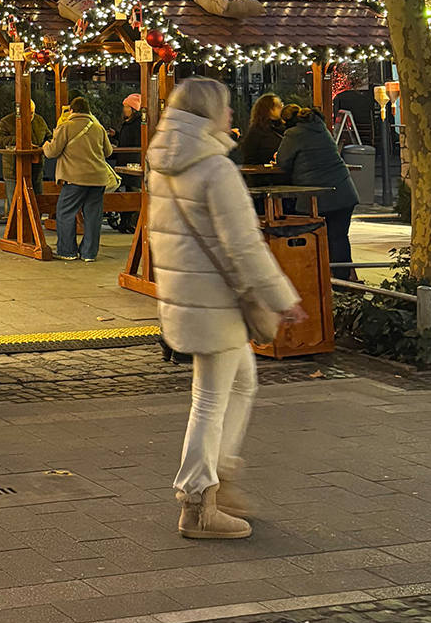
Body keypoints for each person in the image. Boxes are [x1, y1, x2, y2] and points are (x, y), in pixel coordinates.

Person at [148, 78, 303, 539]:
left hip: (188, 298)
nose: (232, 116)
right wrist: (283, 299)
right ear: (209, 115)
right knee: (212, 398)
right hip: (216, 301)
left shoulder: (163, 166)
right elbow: (245, 246)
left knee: (241, 384)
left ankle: (220, 479)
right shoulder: (215, 169)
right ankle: (198, 502)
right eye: (226, 108)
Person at [274, 105, 360, 275]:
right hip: (344, 191)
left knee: (310, 238)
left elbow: (282, 162)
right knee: (339, 238)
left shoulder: (293, 134)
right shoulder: (322, 129)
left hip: (317, 197)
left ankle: (314, 279)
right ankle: (342, 284)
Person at [44, 95, 116, 262]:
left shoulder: (66, 127)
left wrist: (46, 146)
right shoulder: (98, 128)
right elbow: (108, 152)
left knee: (65, 213)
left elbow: (52, 152)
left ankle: (67, 251)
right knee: (93, 217)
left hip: (74, 178)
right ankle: (89, 253)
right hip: (97, 179)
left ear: (71, 110)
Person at [0, 102, 50, 214]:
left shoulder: (39, 121)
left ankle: (35, 230)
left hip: (35, 170)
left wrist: (48, 143)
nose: (30, 116)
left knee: (37, 206)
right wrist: (19, 139)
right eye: (27, 113)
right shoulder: (6, 122)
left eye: (32, 113)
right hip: (13, 171)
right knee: (15, 208)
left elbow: (48, 136)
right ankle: (15, 231)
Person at [232, 92, 285, 168]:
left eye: (281, 104)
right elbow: (249, 158)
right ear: (268, 109)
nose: (281, 107)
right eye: (278, 105)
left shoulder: (286, 128)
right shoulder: (256, 132)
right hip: (265, 175)